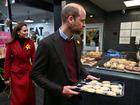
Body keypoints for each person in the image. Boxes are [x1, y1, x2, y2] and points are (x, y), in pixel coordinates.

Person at [32, 3, 99, 105]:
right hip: (56, 99)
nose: (84, 24)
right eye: (82, 21)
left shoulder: (78, 40)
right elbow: (36, 75)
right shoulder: (46, 44)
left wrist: (86, 75)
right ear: (70, 19)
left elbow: (77, 63)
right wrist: (60, 90)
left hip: (76, 94)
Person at [4, 22, 36, 105]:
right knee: (17, 99)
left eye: (27, 30)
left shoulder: (30, 43)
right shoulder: (11, 44)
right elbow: (7, 61)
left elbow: (34, 60)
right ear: (18, 32)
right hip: (16, 75)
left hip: (28, 74)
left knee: (29, 97)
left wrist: (35, 75)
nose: (27, 32)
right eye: (24, 31)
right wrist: (6, 77)